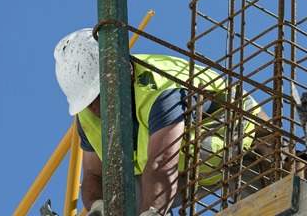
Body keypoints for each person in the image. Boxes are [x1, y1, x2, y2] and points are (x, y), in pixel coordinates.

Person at [53, 29, 262, 216]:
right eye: (89, 103)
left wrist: (151, 213)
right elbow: (93, 175)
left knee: (187, 152)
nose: (97, 109)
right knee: (119, 199)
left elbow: (163, 161)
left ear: (125, 70)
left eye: (100, 95)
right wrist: (99, 208)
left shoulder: (158, 90)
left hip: (236, 127)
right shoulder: (88, 115)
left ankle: (263, 179)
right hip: (171, 165)